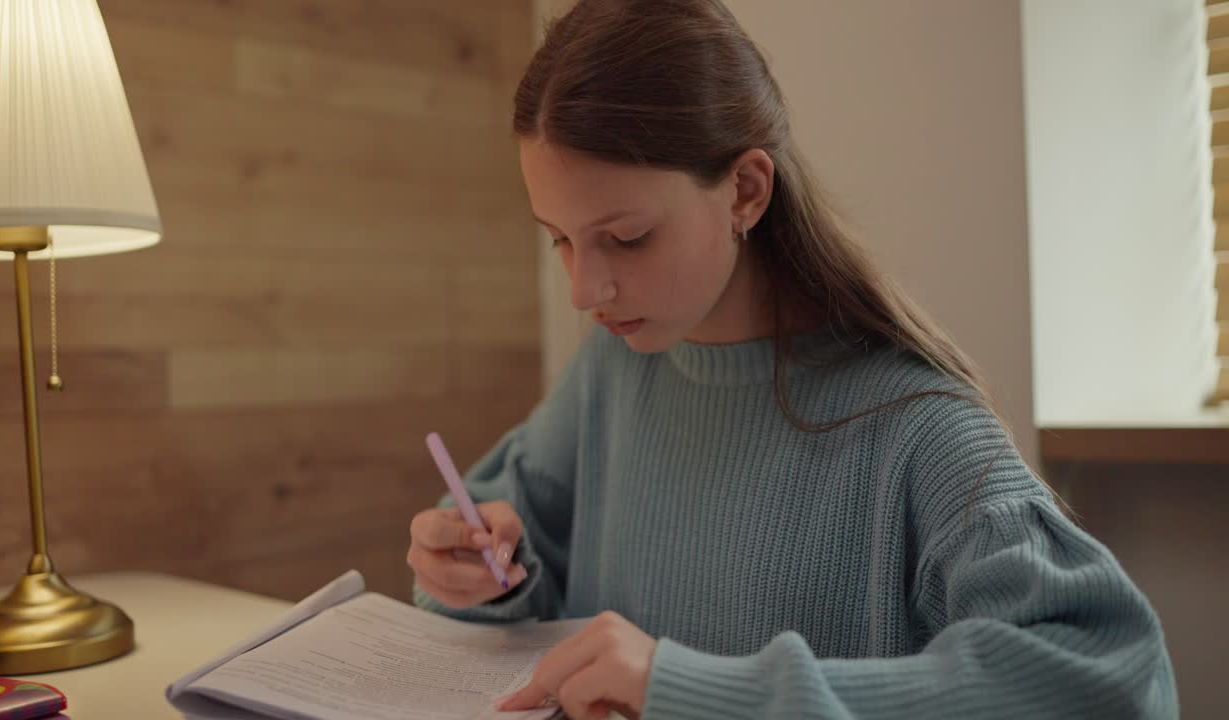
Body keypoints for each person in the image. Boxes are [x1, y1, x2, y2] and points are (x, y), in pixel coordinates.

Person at [405, 1, 1177, 718]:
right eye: (560, 238)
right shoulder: (616, 368)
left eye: (628, 237)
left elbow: (1116, 677)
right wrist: (476, 576)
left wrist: (696, 691)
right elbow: (500, 554)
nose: (583, 289)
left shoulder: (917, 427)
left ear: (745, 191)